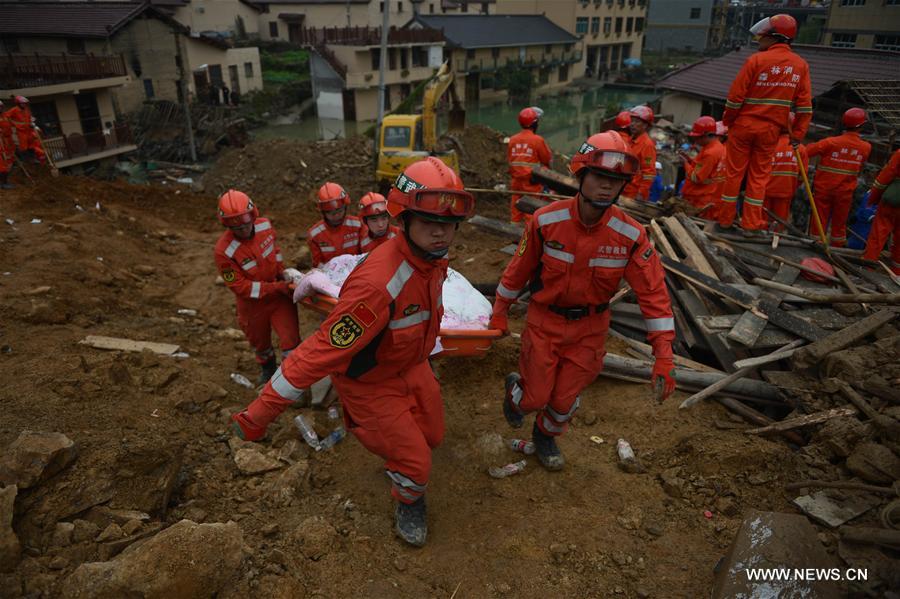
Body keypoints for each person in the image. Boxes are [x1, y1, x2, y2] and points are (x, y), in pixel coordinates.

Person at [232, 157, 475, 547]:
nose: (441, 234)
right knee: (417, 463)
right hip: (372, 383)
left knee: (433, 436)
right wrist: (257, 416)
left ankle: (403, 455)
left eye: (448, 225)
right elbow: (316, 353)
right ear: (403, 219)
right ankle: (408, 496)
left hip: (412, 367)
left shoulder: (433, 261)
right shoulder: (377, 287)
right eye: (430, 223)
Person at [489, 131, 676, 471]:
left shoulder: (631, 235)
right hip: (544, 323)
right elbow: (517, 272)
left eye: (615, 180)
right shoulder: (546, 221)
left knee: (562, 403)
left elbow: (653, 295)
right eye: (601, 176)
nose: (607, 186)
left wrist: (663, 354)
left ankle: (545, 436)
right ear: (581, 174)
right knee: (535, 397)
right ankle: (516, 392)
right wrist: (499, 313)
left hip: (590, 330)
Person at [719, 14, 812, 235]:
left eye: (762, 36)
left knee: (734, 174)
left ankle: (725, 219)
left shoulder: (756, 61)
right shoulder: (800, 66)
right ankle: (750, 224)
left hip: (743, 126)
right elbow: (805, 107)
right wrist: (797, 134)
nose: (759, 39)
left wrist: (728, 121)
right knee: (759, 177)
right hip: (771, 130)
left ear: (775, 37)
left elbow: (734, 98)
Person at [214, 190, 300, 385]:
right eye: (236, 227)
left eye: (245, 223)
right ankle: (268, 369)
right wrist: (277, 287)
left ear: (253, 215)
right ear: (226, 224)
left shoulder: (265, 226)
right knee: (261, 344)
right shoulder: (223, 251)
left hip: (279, 298)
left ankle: (290, 380)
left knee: (291, 341)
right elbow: (241, 288)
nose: (243, 229)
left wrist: (282, 272)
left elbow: (275, 251)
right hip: (253, 305)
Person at [804, 108, 871, 247]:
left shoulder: (830, 142)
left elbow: (806, 152)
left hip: (824, 189)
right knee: (839, 224)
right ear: (862, 125)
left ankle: (816, 245)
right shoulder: (866, 147)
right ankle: (837, 250)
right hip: (845, 192)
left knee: (819, 221)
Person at [507, 106, 552, 223]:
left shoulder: (512, 139)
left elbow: (510, 161)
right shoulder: (537, 140)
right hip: (531, 181)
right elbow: (547, 159)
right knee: (531, 210)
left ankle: (513, 236)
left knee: (516, 208)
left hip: (516, 180)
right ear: (535, 123)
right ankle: (530, 238)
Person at [679, 116, 725, 219]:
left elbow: (697, 178)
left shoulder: (711, 153)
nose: (695, 140)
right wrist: (689, 160)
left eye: (698, 137)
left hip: (700, 199)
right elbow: (703, 167)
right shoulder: (714, 148)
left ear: (708, 135)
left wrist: (685, 163)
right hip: (703, 196)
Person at [863, 148, 900, 275]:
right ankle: (897, 272)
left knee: (877, 236)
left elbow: (885, 177)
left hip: (892, 202)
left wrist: (873, 198)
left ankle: (868, 269)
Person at [307, 182, 363, 267]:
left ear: (345, 207)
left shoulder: (358, 226)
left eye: (340, 211)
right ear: (323, 213)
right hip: (330, 276)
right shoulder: (315, 235)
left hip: (357, 271)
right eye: (331, 213)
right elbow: (317, 264)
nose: (336, 216)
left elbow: (366, 254)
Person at [763, 127, 806, 232]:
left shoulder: (768, 145)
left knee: (762, 221)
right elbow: (802, 175)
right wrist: (792, 187)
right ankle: (776, 240)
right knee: (779, 223)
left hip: (765, 191)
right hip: (785, 192)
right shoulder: (800, 149)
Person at [620, 105, 656, 203]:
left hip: (633, 193)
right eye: (632, 121)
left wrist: (641, 193)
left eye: (637, 122)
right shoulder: (631, 139)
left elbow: (649, 173)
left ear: (645, 125)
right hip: (623, 188)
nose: (632, 124)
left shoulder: (647, 145)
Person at [3, 96, 45, 163]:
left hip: (28, 130)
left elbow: (29, 117)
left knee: (31, 144)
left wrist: (32, 123)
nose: (24, 104)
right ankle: (26, 159)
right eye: (22, 103)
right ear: (18, 103)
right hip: (21, 131)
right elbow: (6, 116)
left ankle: (33, 158)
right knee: (24, 146)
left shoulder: (26, 109)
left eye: (25, 103)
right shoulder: (14, 109)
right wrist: (13, 123)